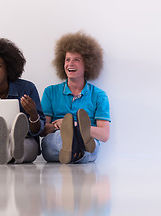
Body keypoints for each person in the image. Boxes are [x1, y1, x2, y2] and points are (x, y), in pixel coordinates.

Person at [41, 31, 111, 164]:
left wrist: (74, 126)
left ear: (88, 65)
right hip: (58, 139)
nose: (70, 64)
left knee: (91, 144)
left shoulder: (99, 96)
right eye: (67, 59)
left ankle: (75, 145)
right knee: (54, 140)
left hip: (87, 139)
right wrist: (58, 126)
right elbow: (43, 130)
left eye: (76, 60)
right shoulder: (50, 92)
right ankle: (77, 149)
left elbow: (104, 135)